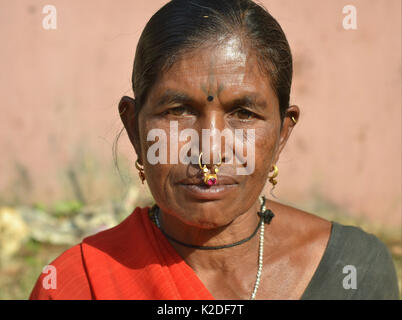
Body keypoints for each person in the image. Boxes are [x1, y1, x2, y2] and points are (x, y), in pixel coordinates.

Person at [29, 0, 399, 300]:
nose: (209, 152)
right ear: (134, 128)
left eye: (243, 113)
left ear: (283, 134)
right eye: (177, 111)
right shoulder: (76, 284)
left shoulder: (352, 271)